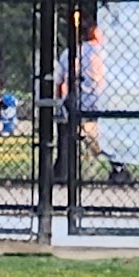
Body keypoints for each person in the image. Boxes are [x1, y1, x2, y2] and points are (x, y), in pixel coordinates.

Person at [53, 16, 104, 184]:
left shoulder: (70, 52)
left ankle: (62, 169)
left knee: (65, 121)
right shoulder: (104, 52)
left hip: (76, 106)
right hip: (102, 105)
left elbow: (59, 82)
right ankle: (118, 168)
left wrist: (60, 104)